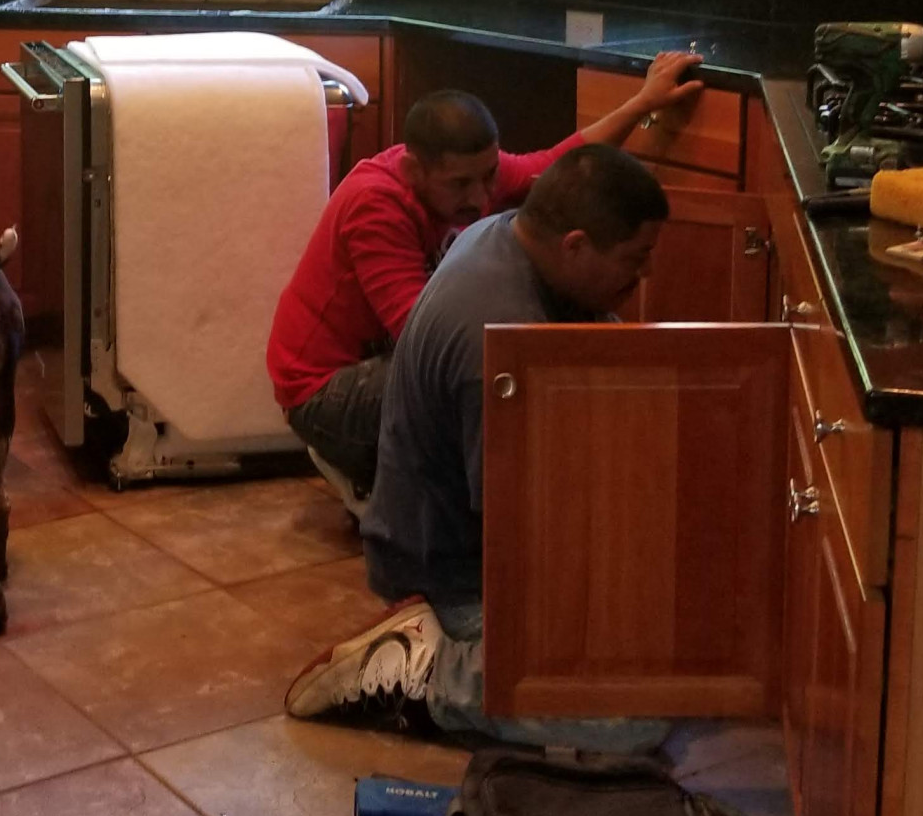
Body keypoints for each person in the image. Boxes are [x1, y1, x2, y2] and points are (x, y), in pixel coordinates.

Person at [285, 142, 670, 747]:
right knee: (630, 719)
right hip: (454, 574)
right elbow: (518, 532)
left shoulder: (504, 231)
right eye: (635, 258)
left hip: (452, 531)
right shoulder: (499, 349)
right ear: (574, 246)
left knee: (656, 639)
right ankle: (421, 672)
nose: (644, 275)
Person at [267, 51, 703, 508]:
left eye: (490, 175)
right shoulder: (375, 205)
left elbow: (554, 167)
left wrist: (642, 101)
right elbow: (421, 340)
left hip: (379, 358)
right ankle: (379, 478)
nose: (480, 197)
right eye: (460, 185)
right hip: (322, 390)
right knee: (474, 373)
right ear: (415, 171)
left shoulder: (467, 176)